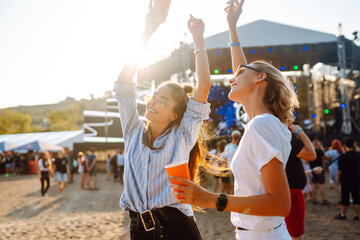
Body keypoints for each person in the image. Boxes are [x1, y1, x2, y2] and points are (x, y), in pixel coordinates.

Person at [170, 1, 299, 239]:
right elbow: (244, 70)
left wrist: (209, 198)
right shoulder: (267, 123)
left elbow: (280, 204)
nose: (231, 78)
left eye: (238, 74)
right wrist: (231, 26)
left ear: (260, 78)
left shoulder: (262, 125)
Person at [113, 6, 211, 239]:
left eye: (163, 101)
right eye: (154, 96)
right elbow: (124, 83)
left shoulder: (183, 135)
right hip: (139, 229)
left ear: (175, 115)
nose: (153, 102)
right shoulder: (133, 130)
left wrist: (198, 38)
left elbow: (204, 85)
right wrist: (148, 30)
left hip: (178, 228)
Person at [284, 124, 317, 240]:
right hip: (291, 192)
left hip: (280, 190)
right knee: (295, 234)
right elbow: (312, 155)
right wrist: (299, 131)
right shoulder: (287, 138)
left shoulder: (271, 136)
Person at [334, 138, 360, 220]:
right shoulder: (358, 154)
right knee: (356, 196)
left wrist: (337, 178)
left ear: (345, 145)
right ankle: (356, 215)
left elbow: (339, 170)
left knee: (345, 196)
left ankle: (343, 214)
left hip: (345, 178)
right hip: (356, 177)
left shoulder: (343, 156)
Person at [310, 139, 329, 205]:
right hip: (320, 168)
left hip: (312, 169)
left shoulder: (310, 150)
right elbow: (326, 157)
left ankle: (314, 199)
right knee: (321, 184)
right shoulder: (319, 150)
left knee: (313, 184)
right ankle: (323, 199)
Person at [223, 130, 241, 194]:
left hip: (228, 168)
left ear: (232, 137)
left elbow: (224, 158)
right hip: (236, 169)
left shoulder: (227, 146)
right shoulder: (239, 147)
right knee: (234, 186)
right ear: (239, 138)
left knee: (229, 186)